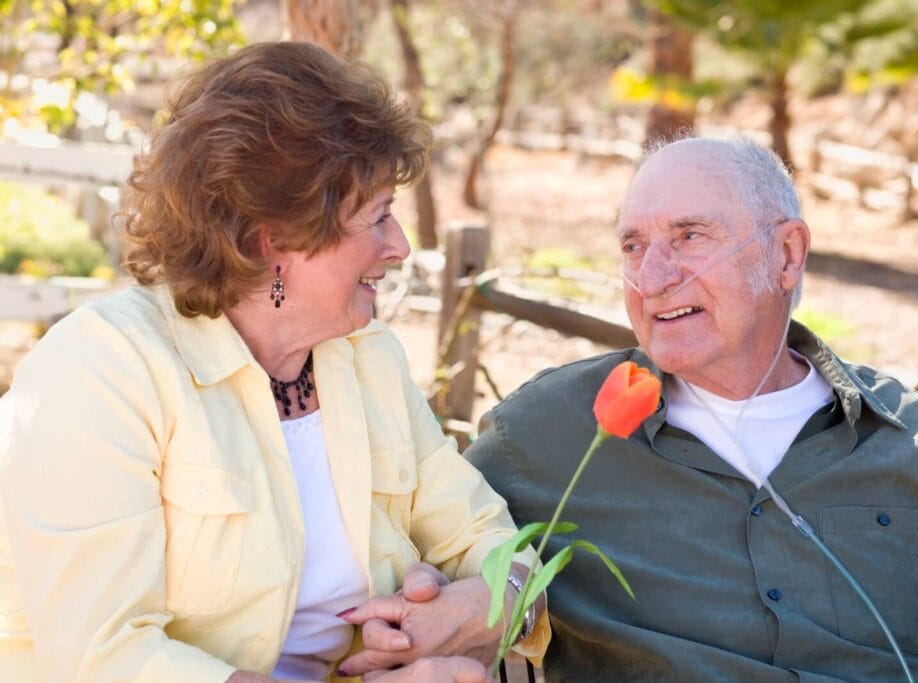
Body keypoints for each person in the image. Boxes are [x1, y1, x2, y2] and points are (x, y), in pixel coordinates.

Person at [0, 42, 546, 683]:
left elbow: (493, 541)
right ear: (275, 241)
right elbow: (102, 655)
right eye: (378, 218)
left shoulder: (366, 355)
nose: (398, 247)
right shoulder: (102, 370)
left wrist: (480, 606)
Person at [457, 136, 918, 681]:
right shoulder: (542, 433)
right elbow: (420, 557)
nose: (651, 278)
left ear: (786, 254)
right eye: (633, 246)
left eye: (690, 236)